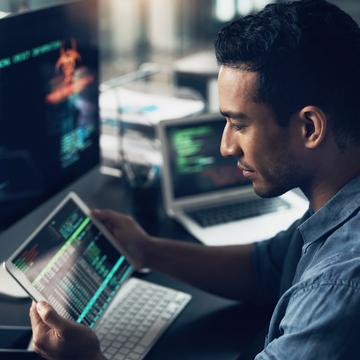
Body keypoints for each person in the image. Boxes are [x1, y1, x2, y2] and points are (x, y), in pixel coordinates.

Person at [30, 0, 360, 359]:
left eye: (239, 124)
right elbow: (266, 268)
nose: (226, 146)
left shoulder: (338, 287)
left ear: (309, 127)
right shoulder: (336, 198)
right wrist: (147, 250)